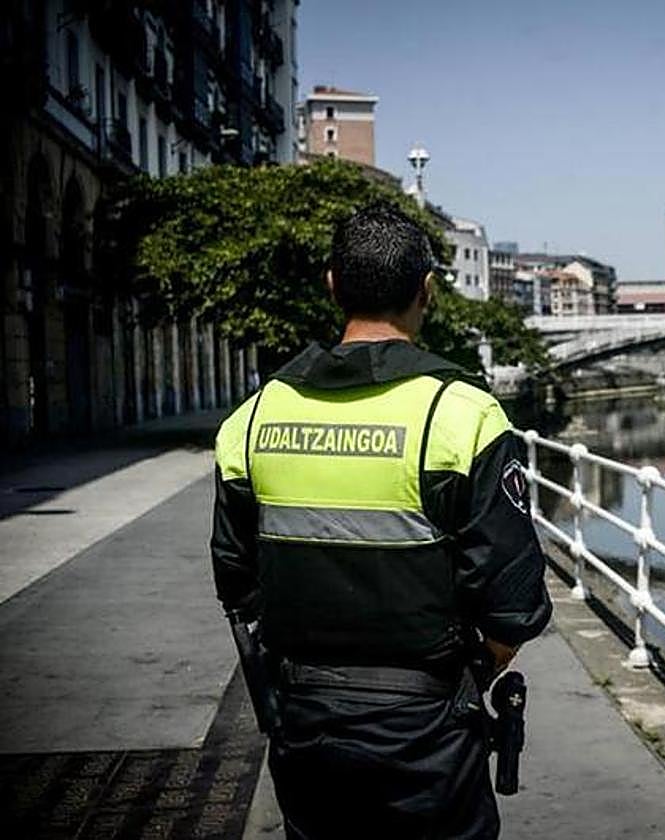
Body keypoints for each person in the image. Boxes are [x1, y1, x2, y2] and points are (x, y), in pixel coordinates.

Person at [210, 203, 552, 839]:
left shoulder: (252, 419)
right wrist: (469, 676)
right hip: (427, 732)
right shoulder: (463, 415)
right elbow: (513, 599)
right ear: (428, 290)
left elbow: (236, 580)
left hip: (304, 723)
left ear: (332, 284)